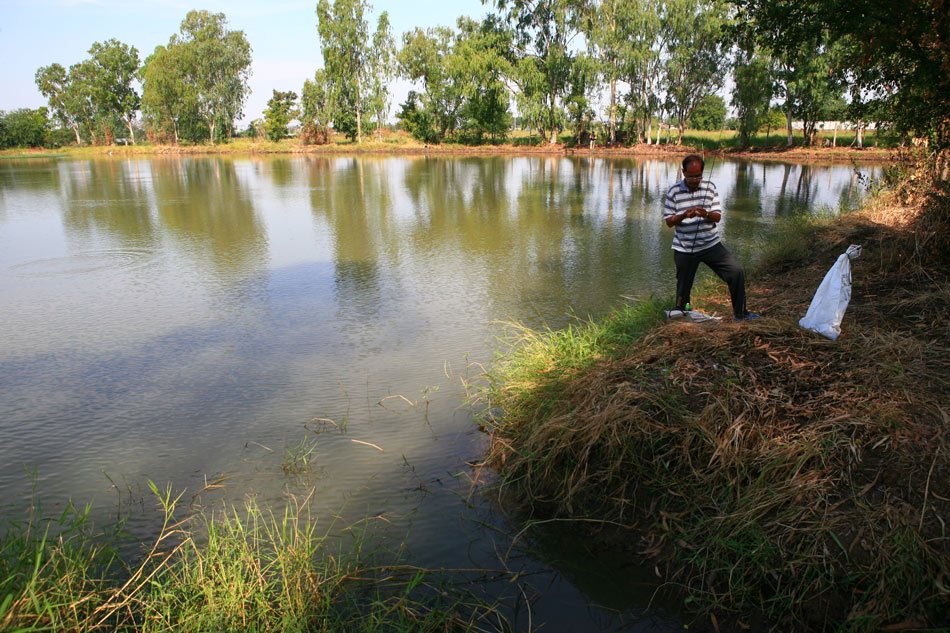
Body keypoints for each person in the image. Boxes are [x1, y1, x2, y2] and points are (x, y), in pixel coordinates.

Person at [663, 154, 757, 321]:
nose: (694, 179)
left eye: (698, 175)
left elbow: (717, 217)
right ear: (683, 173)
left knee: (736, 273)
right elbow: (669, 222)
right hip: (684, 248)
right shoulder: (674, 192)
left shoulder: (710, 187)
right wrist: (684, 215)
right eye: (691, 176)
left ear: (702, 173)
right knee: (683, 291)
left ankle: (741, 314)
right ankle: (685, 311)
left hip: (710, 245)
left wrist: (705, 213)